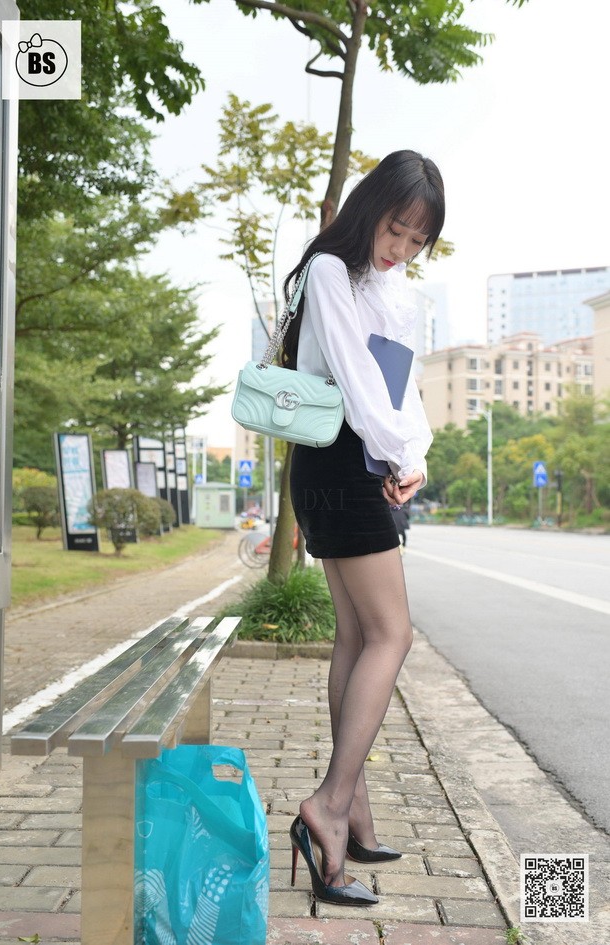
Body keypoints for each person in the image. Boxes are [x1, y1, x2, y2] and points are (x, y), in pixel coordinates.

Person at [283, 150, 444, 906]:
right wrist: (395, 453)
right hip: (340, 459)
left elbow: (402, 388)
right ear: (369, 208)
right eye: (394, 227)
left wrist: (416, 458)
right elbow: (353, 381)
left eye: (416, 239)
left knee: (357, 636)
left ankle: (356, 815)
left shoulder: (397, 291)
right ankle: (331, 804)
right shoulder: (328, 271)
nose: (399, 247)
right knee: (391, 633)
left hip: (368, 461)